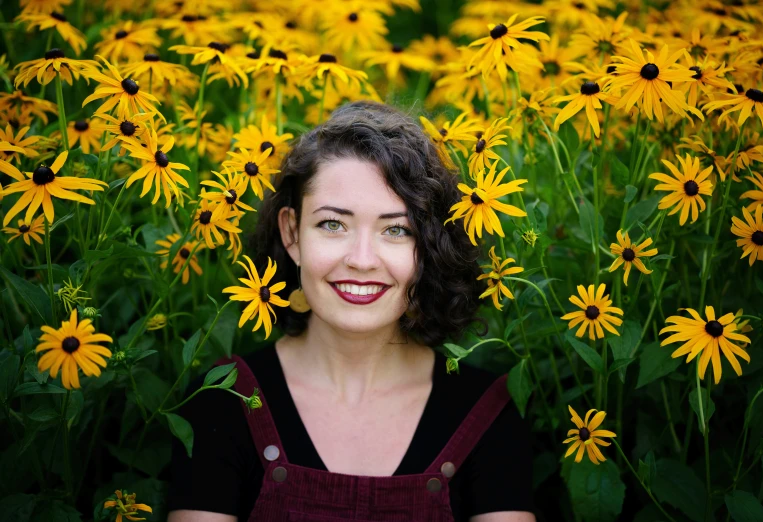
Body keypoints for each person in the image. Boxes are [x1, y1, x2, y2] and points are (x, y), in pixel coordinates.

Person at [167, 101, 535, 521]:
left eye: (396, 230)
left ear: (428, 248)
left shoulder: (487, 412)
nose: (362, 259)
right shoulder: (222, 401)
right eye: (333, 224)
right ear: (292, 233)